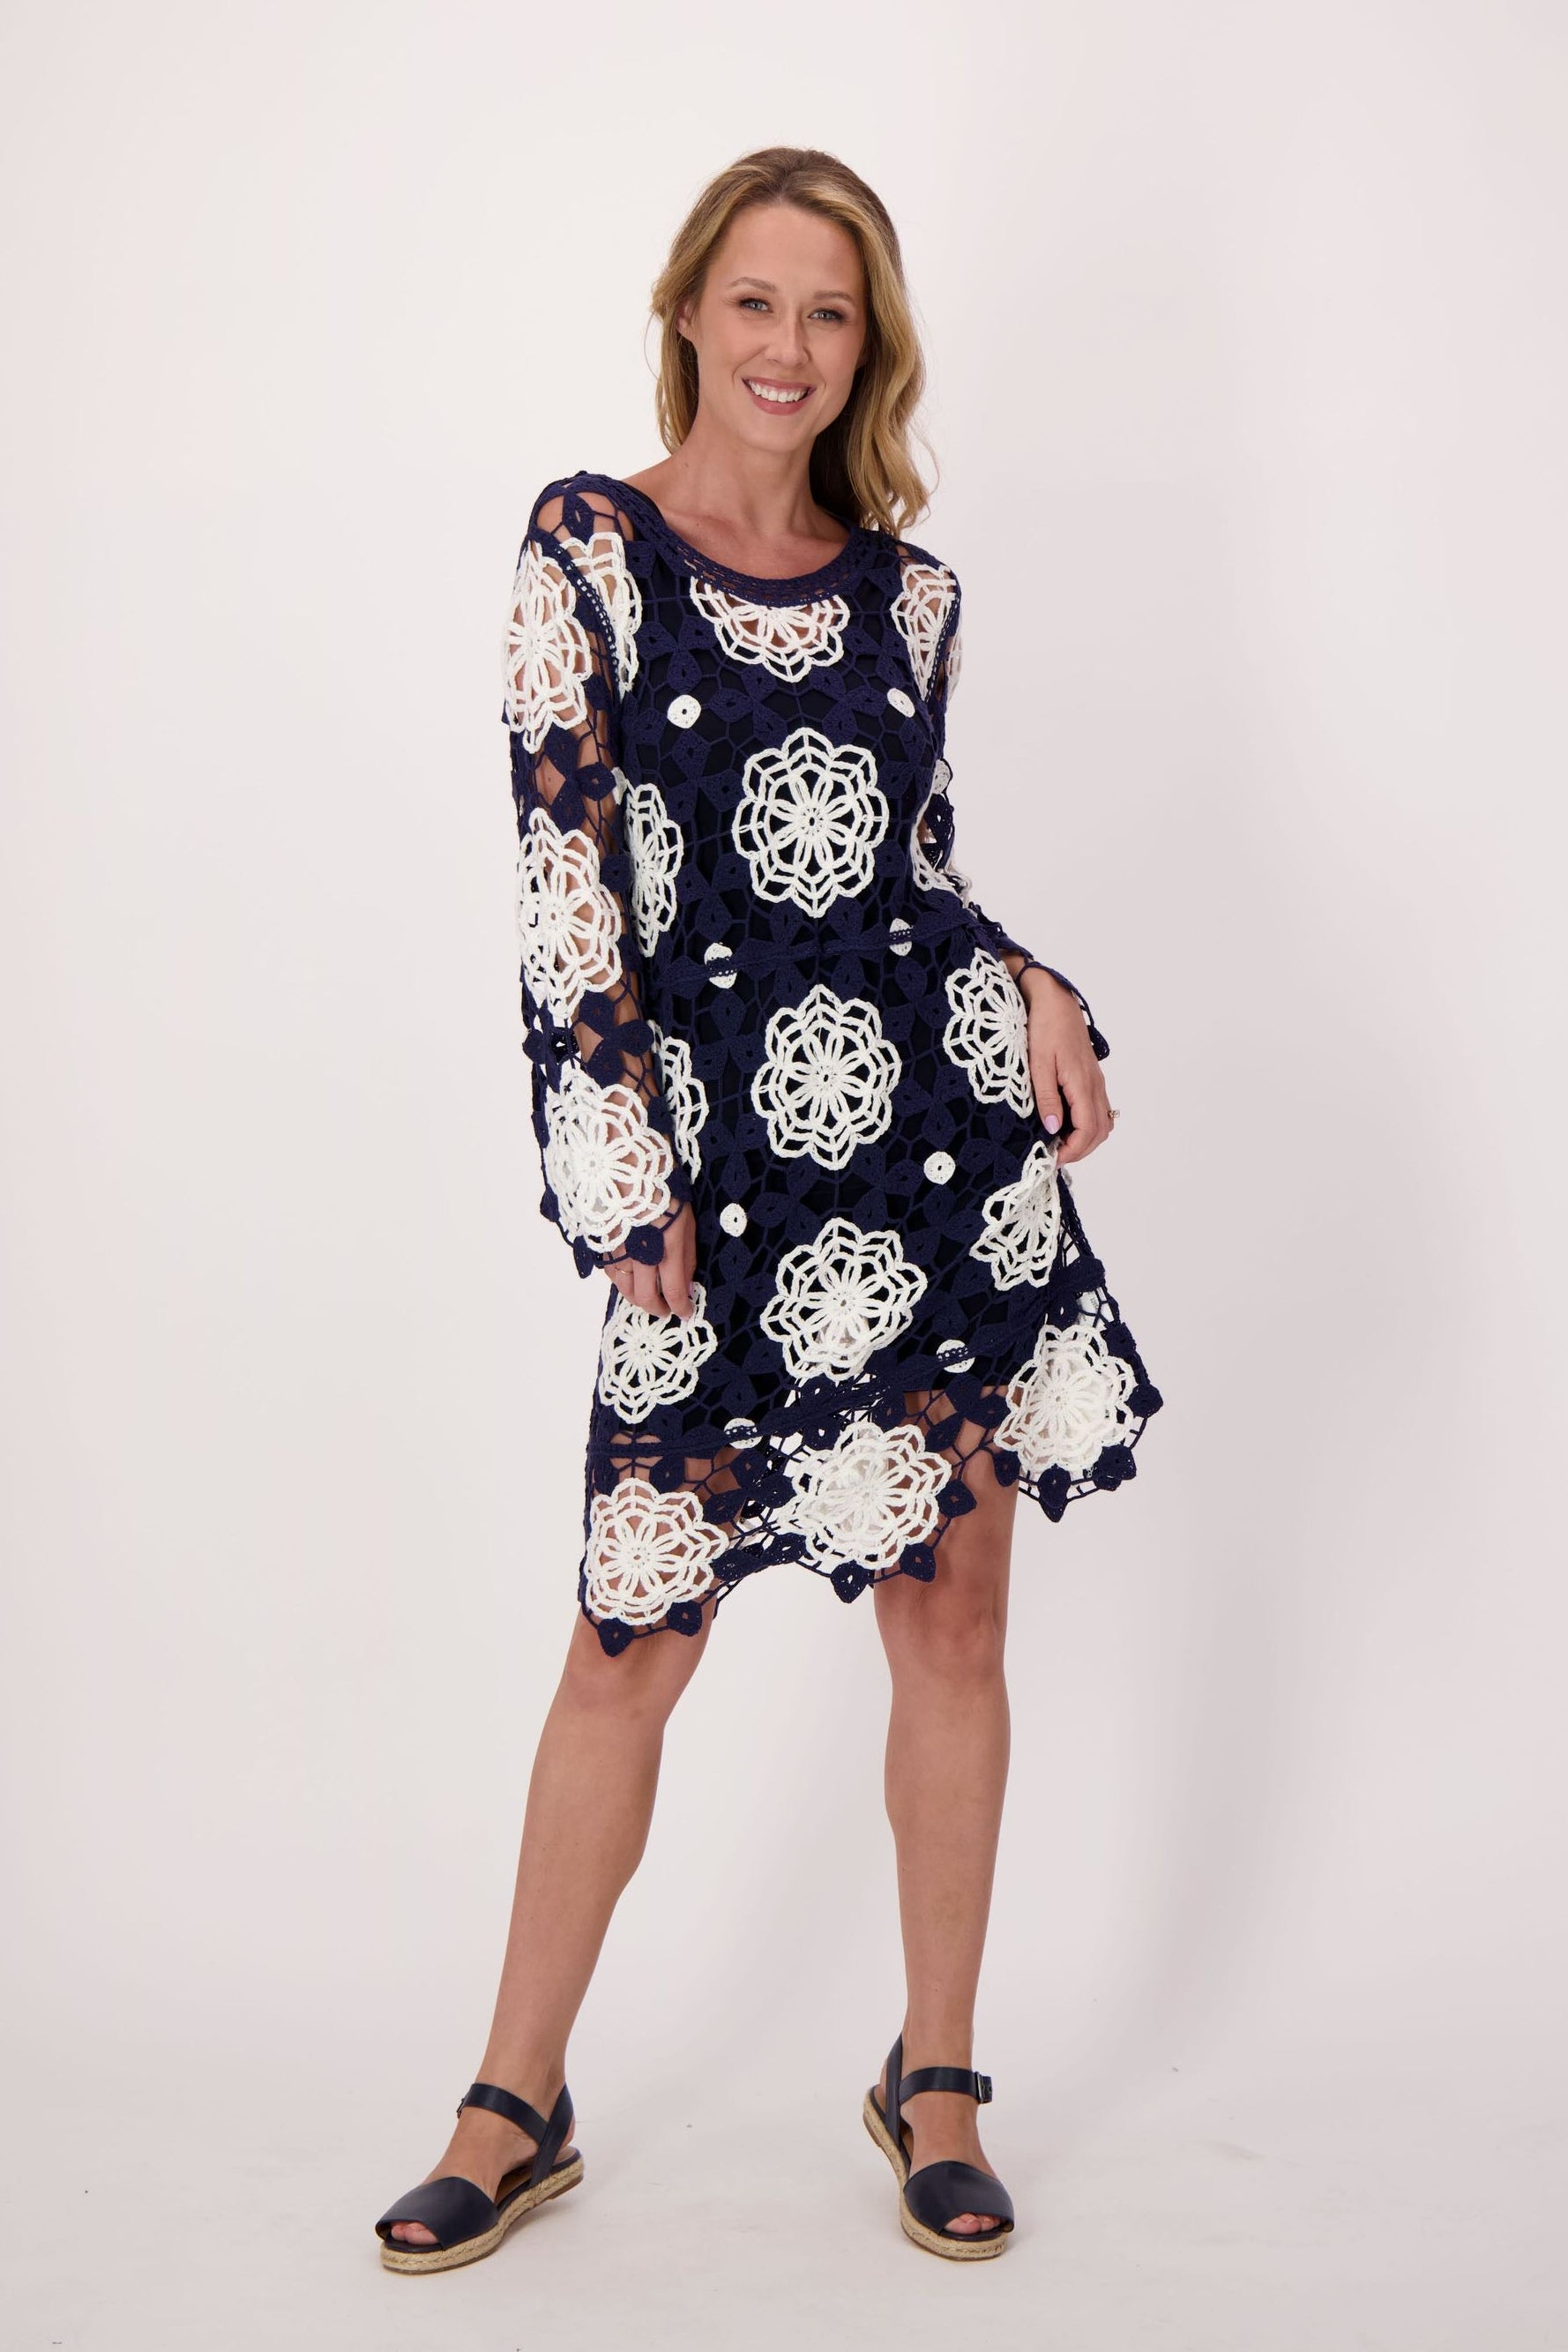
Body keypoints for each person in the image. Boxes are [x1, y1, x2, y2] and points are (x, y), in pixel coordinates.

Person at [374, 144, 1162, 2273]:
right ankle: (511, 2093)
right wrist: (615, 1158)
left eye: (830, 311)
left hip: (931, 1164)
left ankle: (933, 2074)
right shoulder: (590, 551)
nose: (789, 347)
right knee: (632, 1638)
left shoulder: (914, 595)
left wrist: (1025, 974)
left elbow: (903, 869)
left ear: (866, 342)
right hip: (713, 1185)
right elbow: (565, 885)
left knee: (958, 1618)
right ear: (690, 313)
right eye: (755, 301)